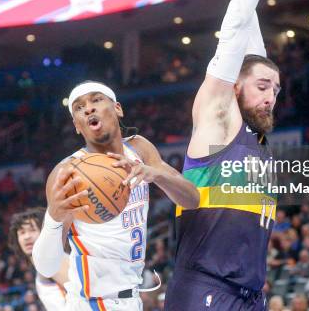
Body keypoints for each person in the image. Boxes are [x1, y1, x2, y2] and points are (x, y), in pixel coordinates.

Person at [164, 0, 309, 310]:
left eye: (277, 90)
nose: (271, 96)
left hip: (249, 295)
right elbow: (233, 36)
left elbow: (254, 60)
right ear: (234, 88)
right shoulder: (217, 114)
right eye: (264, 88)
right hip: (205, 290)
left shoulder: (255, 131)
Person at [32, 81, 199, 310]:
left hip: (131, 299)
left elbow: (192, 199)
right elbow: (46, 267)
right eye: (79, 107)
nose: (88, 108)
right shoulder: (68, 174)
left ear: (118, 109)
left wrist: (157, 175)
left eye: (96, 100)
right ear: (77, 126)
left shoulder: (139, 149)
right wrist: (53, 217)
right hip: (91, 302)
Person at [8, 207, 69, 310]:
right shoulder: (42, 266)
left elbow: (86, 291)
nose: (27, 236)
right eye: (22, 232)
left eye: (32, 230)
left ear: (45, 232)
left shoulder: (53, 259)